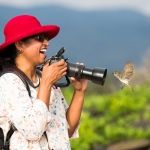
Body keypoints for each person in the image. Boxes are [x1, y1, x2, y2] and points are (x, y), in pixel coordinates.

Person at [0, 14, 88, 150]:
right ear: (19, 44)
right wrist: (46, 83)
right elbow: (32, 130)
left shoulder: (45, 78)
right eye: (40, 38)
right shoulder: (8, 82)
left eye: (46, 38)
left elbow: (66, 130)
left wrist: (80, 92)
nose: (46, 43)